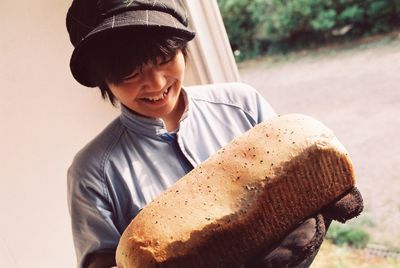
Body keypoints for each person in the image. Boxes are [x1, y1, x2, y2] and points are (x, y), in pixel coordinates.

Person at [66, 1, 363, 267]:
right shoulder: (93, 173)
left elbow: (300, 181)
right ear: (103, 79)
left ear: (183, 49)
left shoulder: (242, 105)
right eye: (130, 72)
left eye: (163, 58)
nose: (156, 83)